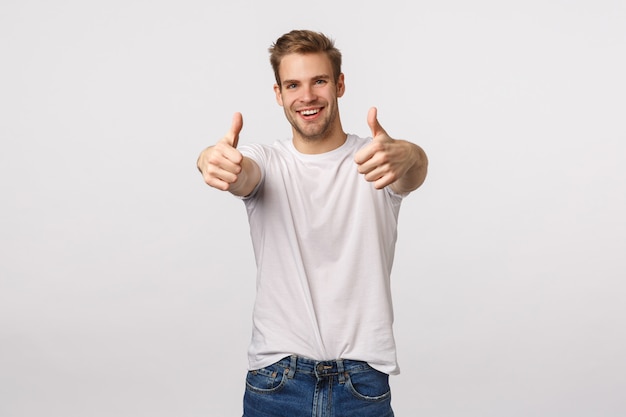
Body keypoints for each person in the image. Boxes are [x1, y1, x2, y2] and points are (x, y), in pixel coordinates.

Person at [197, 29, 428, 417]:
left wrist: (409, 154)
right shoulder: (266, 161)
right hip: (277, 381)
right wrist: (212, 160)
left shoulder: (377, 159)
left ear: (339, 85)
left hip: (362, 383)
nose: (306, 96)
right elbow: (243, 175)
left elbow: (412, 170)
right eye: (293, 84)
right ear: (279, 94)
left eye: (319, 81)